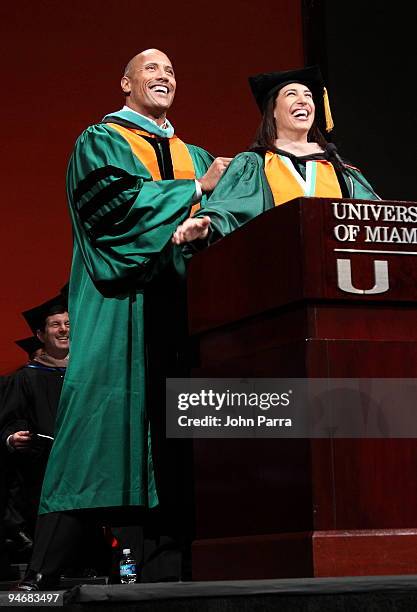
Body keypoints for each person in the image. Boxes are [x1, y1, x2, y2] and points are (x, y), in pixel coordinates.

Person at [18, 48, 231, 591]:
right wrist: (194, 192)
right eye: (152, 70)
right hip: (124, 308)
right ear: (125, 83)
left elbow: (229, 219)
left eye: (172, 71)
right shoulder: (101, 141)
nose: (165, 77)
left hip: (186, 313)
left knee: (179, 441)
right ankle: (40, 581)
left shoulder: (194, 153)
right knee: (101, 432)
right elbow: (109, 211)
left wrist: (218, 209)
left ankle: (169, 576)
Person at [172, 65, 380, 246]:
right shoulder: (254, 166)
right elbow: (229, 211)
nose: (303, 101)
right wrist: (205, 227)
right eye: (292, 94)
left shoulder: (340, 169)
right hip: (276, 273)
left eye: (308, 95)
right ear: (272, 110)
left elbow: (377, 217)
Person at [0, 296, 69, 539]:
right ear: (40, 335)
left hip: (84, 462)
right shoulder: (26, 377)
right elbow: (13, 418)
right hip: (43, 467)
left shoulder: (85, 373)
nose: (63, 330)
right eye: (55, 324)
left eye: (68, 324)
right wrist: (12, 436)